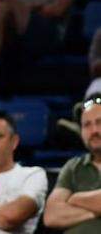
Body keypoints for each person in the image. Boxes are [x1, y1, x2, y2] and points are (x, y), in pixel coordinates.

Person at [44, 94, 101, 234]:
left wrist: (74, 199)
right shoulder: (74, 166)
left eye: (100, 122)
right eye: (87, 125)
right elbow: (51, 216)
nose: (94, 131)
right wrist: (95, 212)